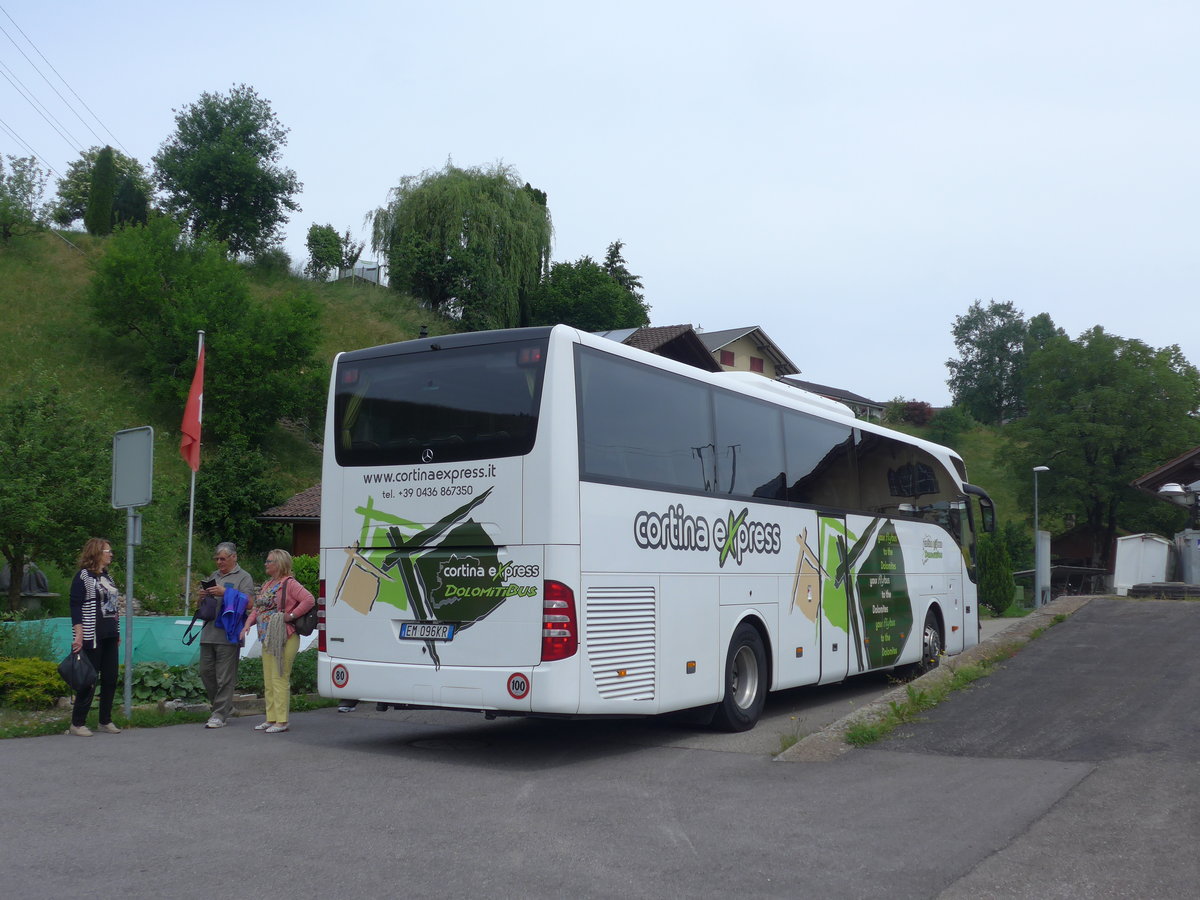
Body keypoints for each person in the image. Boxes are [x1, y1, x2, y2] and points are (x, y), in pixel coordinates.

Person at [241, 549, 314, 733]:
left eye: (269, 561)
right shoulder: (267, 585)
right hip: (267, 638)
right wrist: (247, 624)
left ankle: (282, 721)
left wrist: (291, 615)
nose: (266, 564)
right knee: (268, 679)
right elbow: (258, 609)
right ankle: (271, 718)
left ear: (279, 563)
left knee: (279, 677)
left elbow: (309, 599)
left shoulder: (289, 584)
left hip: (285, 637)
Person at [198, 542, 255, 729]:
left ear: (234, 557)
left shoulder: (244, 577)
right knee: (205, 672)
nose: (219, 562)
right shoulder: (213, 576)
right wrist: (202, 596)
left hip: (229, 634)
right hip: (208, 631)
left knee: (225, 676)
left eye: (223, 558)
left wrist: (226, 592)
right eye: (217, 559)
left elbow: (249, 603)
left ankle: (219, 714)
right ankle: (224, 707)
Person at [68, 538, 121, 736]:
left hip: (109, 635)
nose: (111, 554)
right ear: (97, 552)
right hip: (92, 635)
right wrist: (79, 635)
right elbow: (75, 606)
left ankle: (105, 720)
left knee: (110, 677)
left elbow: (113, 607)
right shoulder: (83, 577)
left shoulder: (107, 577)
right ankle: (77, 723)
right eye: (108, 551)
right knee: (89, 679)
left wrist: (117, 631)